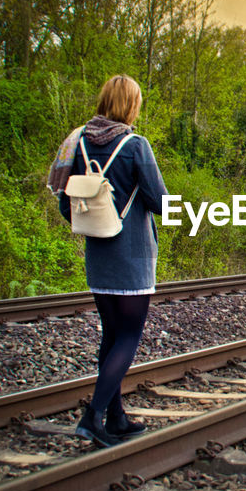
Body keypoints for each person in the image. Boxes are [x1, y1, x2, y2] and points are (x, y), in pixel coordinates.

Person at [47, 75, 167, 447]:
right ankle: (93, 417)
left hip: (98, 251)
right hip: (132, 254)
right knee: (128, 337)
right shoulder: (135, 144)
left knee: (111, 335)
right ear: (131, 105)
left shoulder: (77, 140)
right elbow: (160, 200)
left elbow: (64, 196)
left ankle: (116, 417)